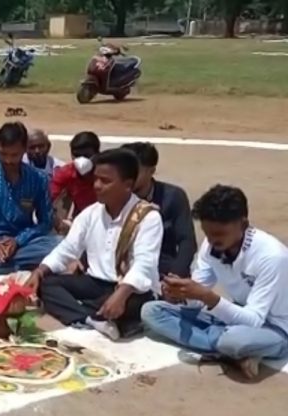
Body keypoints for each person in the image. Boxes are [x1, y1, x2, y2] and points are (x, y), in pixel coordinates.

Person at [142, 185, 288, 380]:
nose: (211, 241)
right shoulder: (211, 245)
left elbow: (254, 320)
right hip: (235, 316)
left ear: (243, 224)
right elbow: (197, 300)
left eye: (219, 235)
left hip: (275, 326)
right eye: (208, 233)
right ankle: (231, 350)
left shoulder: (272, 257)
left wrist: (207, 297)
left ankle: (231, 347)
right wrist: (182, 295)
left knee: (232, 341)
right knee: (152, 311)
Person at [30, 148, 163, 340]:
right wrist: (40, 271)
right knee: (48, 283)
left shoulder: (148, 217)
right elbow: (68, 248)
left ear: (127, 185)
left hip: (129, 289)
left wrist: (121, 294)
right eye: (96, 179)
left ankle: (88, 312)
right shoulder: (91, 213)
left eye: (106, 181)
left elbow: (144, 264)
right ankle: (92, 318)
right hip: (94, 282)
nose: (97, 186)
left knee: (136, 303)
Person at [0, 122, 60, 274]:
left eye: (14, 155)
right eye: (3, 154)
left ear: (24, 150)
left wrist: (18, 241)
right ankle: (6, 264)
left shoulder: (38, 179)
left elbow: (45, 222)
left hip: (23, 244)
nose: (8, 161)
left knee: (57, 245)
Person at [121, 142, 197, 277]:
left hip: (161, 268)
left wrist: (176, 274)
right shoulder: (115, 194)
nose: (127, 176)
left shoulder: (174, 196)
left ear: (151, 171)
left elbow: (187, 241)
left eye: (134, 171)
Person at [50, 131, 100, 221]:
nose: (81, 159)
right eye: (76, 155)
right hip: (81, 218)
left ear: (97, 154)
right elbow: (50, 201)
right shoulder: (65, 174)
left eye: (86, 155)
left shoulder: (108, 173)